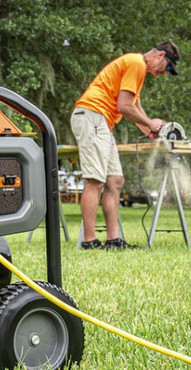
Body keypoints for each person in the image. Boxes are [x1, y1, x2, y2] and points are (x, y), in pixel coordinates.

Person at [70, 41, 180, 250]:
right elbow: (124, 106)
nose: (164, 73)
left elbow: (134, 107)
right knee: (95, 180)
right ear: (160, 55)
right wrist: (150, 123)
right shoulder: (136, 63)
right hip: (92, 116)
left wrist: (150, 130)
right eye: (167, 67)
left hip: (102, 122)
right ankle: (89, 241)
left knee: (115, 180)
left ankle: (114, 240)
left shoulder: (136, 68)